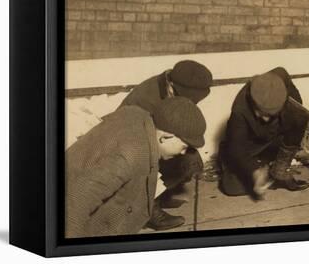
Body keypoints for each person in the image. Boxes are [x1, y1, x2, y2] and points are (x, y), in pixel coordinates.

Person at [66, 97, 206, 238]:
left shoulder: (137, 114)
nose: (183, 153)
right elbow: (76, 201)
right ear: (165, 137)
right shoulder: (132, 154)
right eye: (184, 147)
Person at [118, 60, 213, 230]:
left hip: (156, 141)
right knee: (153, 161)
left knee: (191, 160)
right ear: (173, 86)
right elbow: (141, 149)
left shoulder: (175, 89)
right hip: (133, 146)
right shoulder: (146, 100)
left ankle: (162, 194)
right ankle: (148, 210)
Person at [219, 67, 309, 198]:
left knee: (299, 115)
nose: (265, 118)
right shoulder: (239, 112)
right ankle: (231, 157)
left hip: (275, 134)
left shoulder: (280, 77)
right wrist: (255, 172)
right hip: (252, 142)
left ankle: (279, 170)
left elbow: (298, 105)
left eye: (271, 113)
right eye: (262, 113)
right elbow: (237, 148)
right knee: (231, 186)